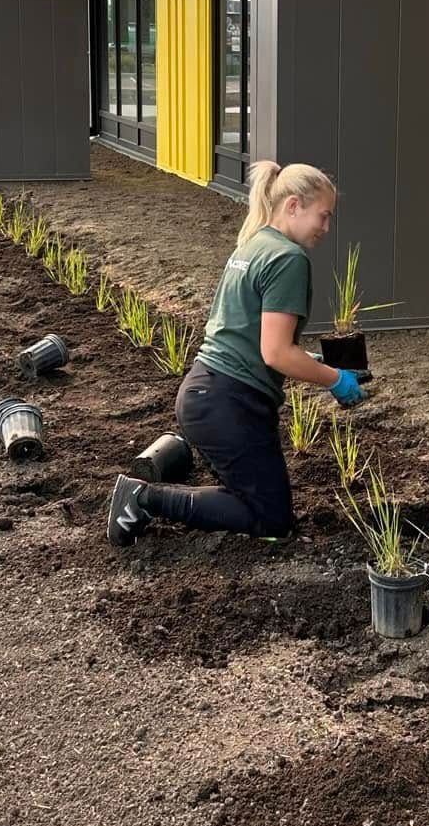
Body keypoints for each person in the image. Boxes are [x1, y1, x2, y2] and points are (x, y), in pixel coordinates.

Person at [108, 160, 363, 546]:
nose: (326, 228)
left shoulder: (255, 244)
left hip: (208, 395)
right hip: (230, 405)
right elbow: (276, 353)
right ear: (293, 205)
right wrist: (336, 380)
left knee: (262, 502)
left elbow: (251, 339)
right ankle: (143, 498)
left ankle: (146, 497)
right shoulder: (289, 259)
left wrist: (314, 362)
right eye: (323, 216)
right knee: (271, 519)